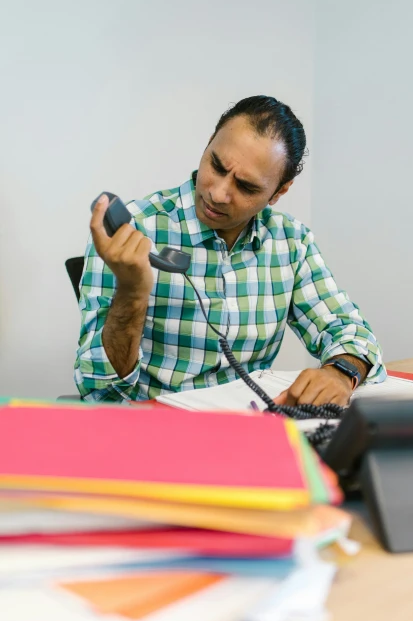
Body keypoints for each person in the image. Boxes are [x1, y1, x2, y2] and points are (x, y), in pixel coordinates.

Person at [75, 96, 385, 403]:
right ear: (209, 143)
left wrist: (341, 372)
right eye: (217, 165)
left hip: (249, 433)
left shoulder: (291, 242)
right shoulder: (134, 231)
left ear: (279, 191)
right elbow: (99, 389)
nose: (219, 194)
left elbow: (351, 332)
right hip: (156, 433)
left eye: (247, 187)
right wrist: (131, 291)